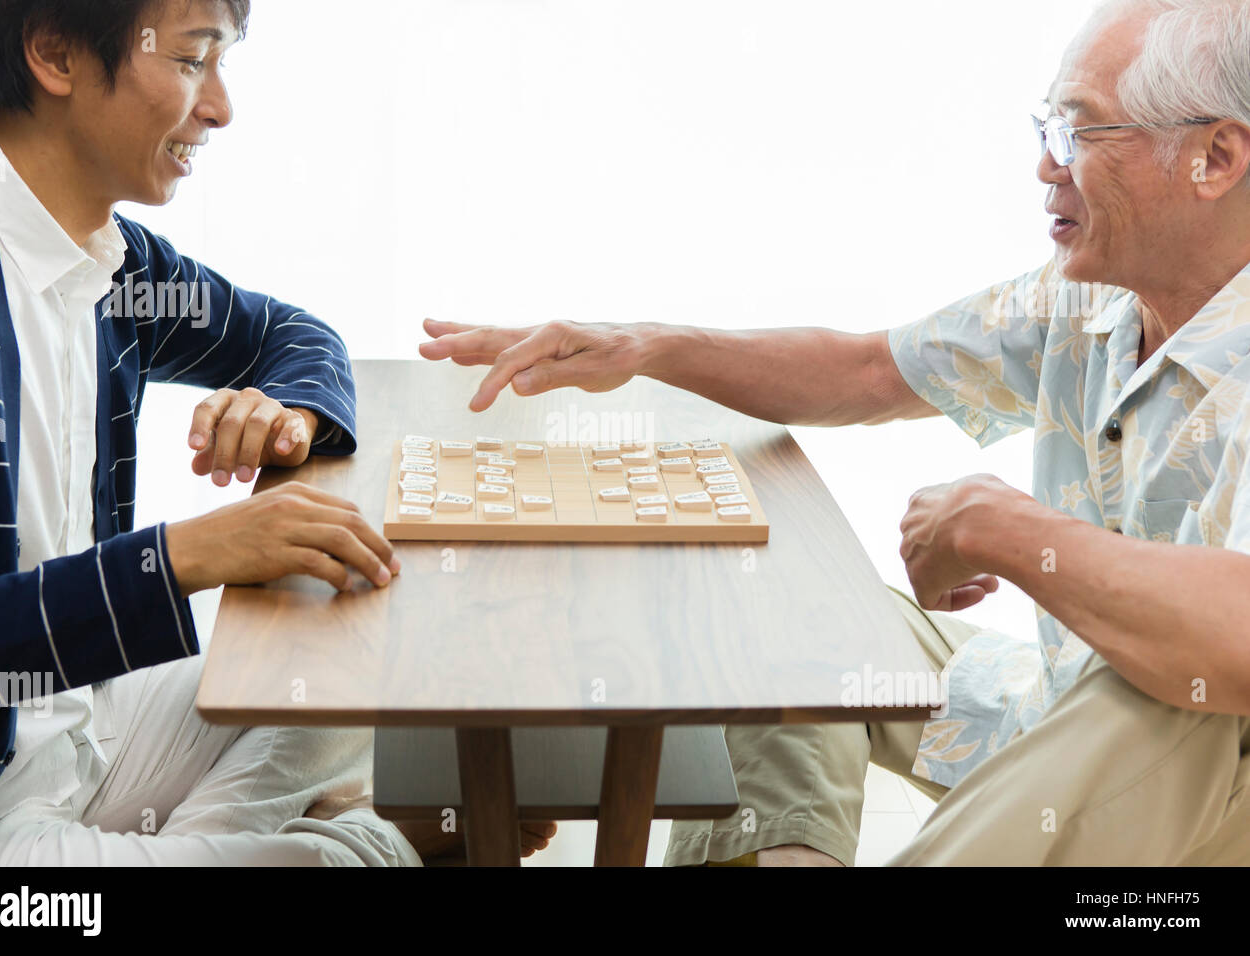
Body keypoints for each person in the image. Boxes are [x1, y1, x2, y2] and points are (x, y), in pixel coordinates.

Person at [420, 0, 1250, 865]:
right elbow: (867, 372)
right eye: (1048, 128)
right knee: (792, 618)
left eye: (1082, 133)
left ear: (1214, 157)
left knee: (1158, 690)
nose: (1047, 166)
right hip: (1054, 701)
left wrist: (995, 526)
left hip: (1199, 782)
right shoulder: (1085, 298)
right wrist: (645, 347)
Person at [0, 0, 553, 865]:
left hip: (87, 732)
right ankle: (361, 840)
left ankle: (228, 841)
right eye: (193, 59)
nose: (220, 107)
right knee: (325, 858)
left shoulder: (113, 262)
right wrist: (182, 556)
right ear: (54, 54)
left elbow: (293, 335)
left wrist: (289, 413)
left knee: (342, 673)